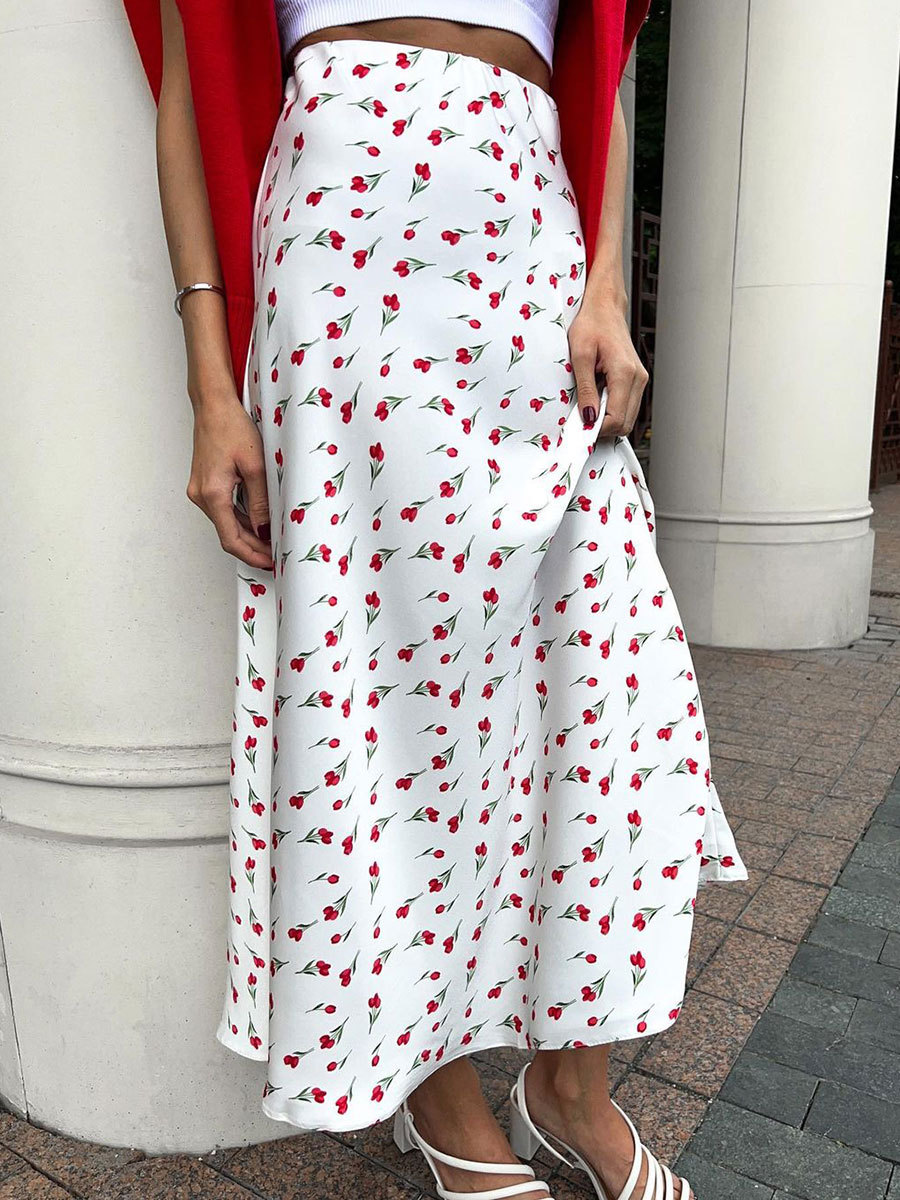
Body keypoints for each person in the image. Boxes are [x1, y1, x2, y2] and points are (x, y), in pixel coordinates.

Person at [124, 2, 748, 1197]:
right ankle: (441, 1096)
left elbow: (601, 70)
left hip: (533, 234)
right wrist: (210, 385)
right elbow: (187, 96)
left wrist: (606, 287)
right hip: (339, 251)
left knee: (602, 677)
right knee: (376, 696)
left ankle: (570, 1090)